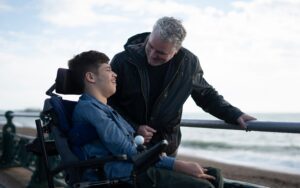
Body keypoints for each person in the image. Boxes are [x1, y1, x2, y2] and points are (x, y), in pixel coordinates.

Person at [68, 50, 223, 188]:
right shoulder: (89, 109)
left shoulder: (107, 109)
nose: (115, 74)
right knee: (203, 185)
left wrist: (160, 156)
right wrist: (178, 165)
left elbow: (132, 145)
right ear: (90, 77)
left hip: (137, 165)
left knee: (215, 174)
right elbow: (126, 150)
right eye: (108, 70)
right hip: (122, 173)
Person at [108, 16, 256, 156]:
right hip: (126, 141)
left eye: (160, 52)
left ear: (176, 50)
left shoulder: (189, 63)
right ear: (150, 36)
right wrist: (133, 127)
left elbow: (206, 95)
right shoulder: (122, 61)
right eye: (150, 46)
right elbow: (106, 102)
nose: (152, 54)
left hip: (167, 145)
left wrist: (234, 114)